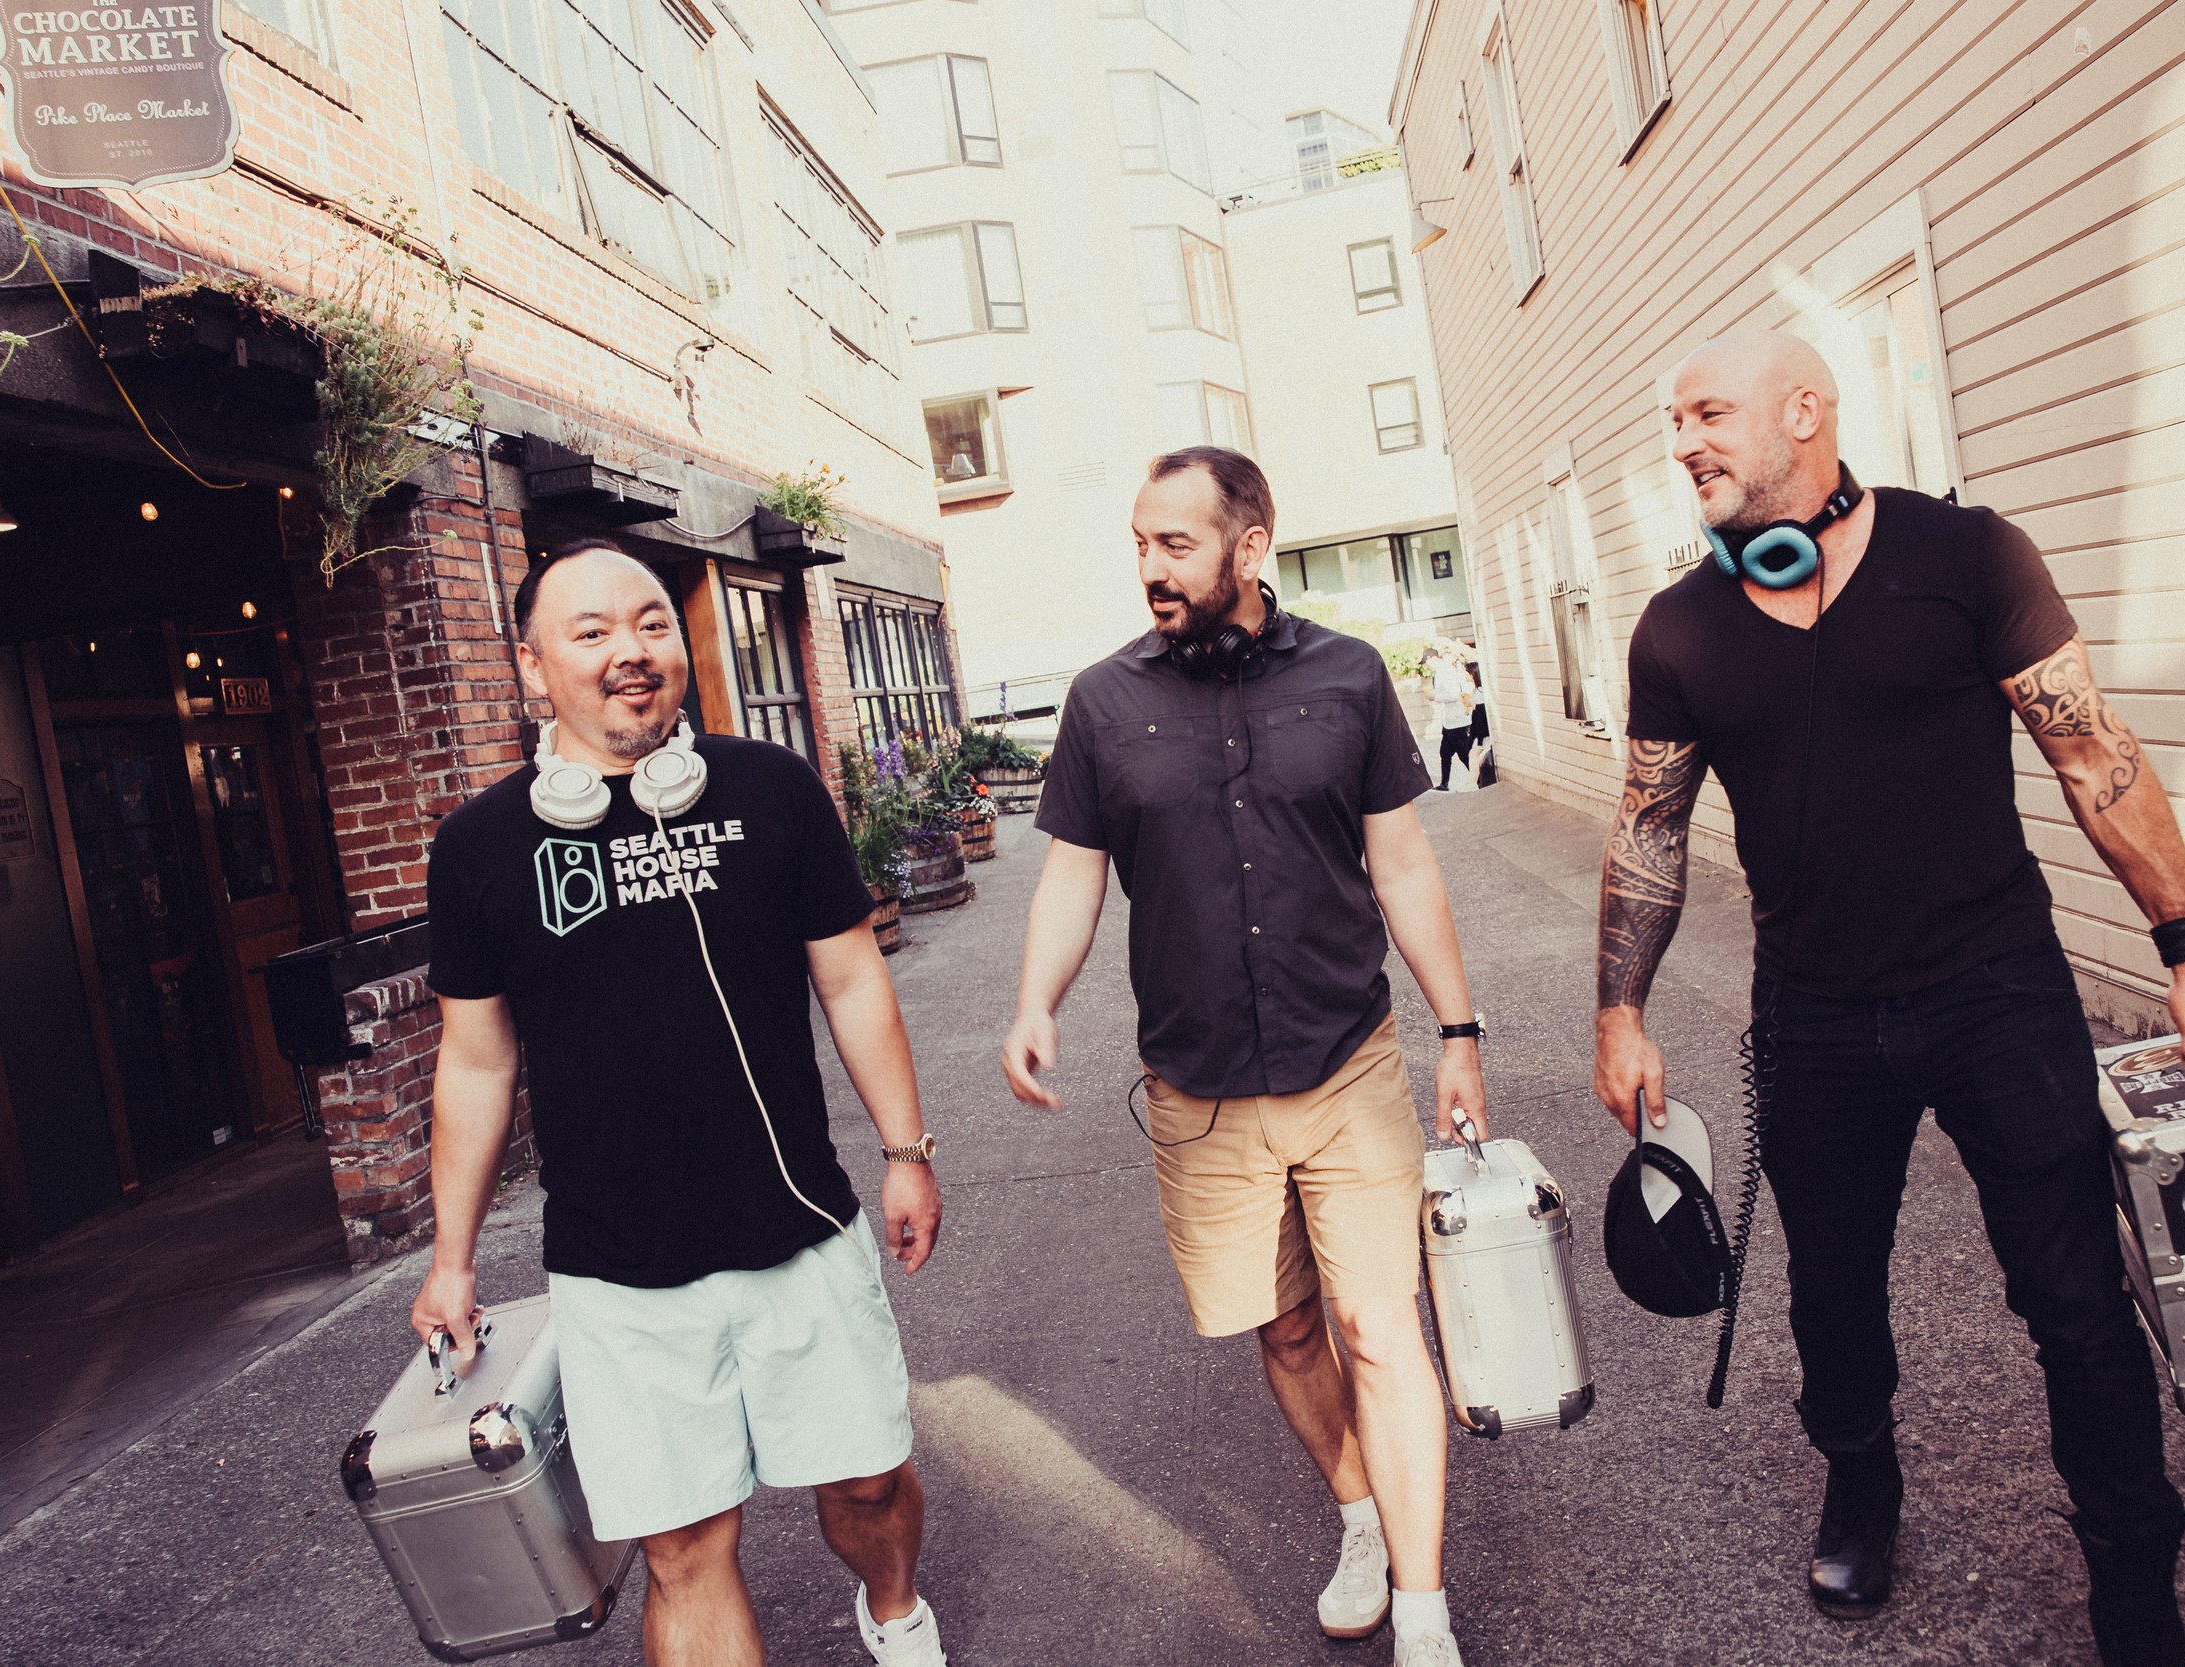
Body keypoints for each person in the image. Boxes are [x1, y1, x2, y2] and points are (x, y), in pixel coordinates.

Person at [1592, 332, 2185, 1667]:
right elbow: (1648, 825)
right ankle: (1860, 1479)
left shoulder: (1969, 556)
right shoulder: (1679, 627)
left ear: (1806, 411)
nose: (1684, 442)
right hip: (1815, 1011)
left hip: (1998, 988)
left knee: (2073, 1296)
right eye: (1674, 421)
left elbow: (2093, 755)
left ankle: (2131, 1571)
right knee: (1830, 1289)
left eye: (1708, 413)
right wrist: (1620, 1010)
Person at [412, 540, 949, 1667]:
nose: (631, 651)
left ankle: (895, 1608)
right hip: (615, 1269)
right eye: (592, 631)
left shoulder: (772, 790)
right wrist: (450, 1259)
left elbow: (852, 978)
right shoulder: (477, 849)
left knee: (867, 1478)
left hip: (799, 1223)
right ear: (532, 666)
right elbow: (475, 1062)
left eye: (652, 622)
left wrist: (906, 1149)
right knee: (684, 1545)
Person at [1000, 447, 1487, 1667]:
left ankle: (1424, 1613)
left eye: (1175, 542)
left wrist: (1458, 1031)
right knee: (1284, 1331)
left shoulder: (1348, 676)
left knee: (1380, 1327)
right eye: (1139, 542)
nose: (1150, 567)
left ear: (1250, 545)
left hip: (1347, 1061)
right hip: (1199, 1086)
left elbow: (1401, 865)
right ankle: (1359, 1511)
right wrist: (1034, 998)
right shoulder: (1103, 701)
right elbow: (1072, 873)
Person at [1429, 646, 1474, 791]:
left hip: (1456, 722)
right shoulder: (1442, 671)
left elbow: (1454, 695)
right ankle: (1444, 784)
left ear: (1432, 658)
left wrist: (1435, 697)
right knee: (1445, 753)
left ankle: (1479, 779)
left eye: (1426, 662)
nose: (1427, 666)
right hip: (1450, 722)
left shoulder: (1445, 672)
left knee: (1463, 754)